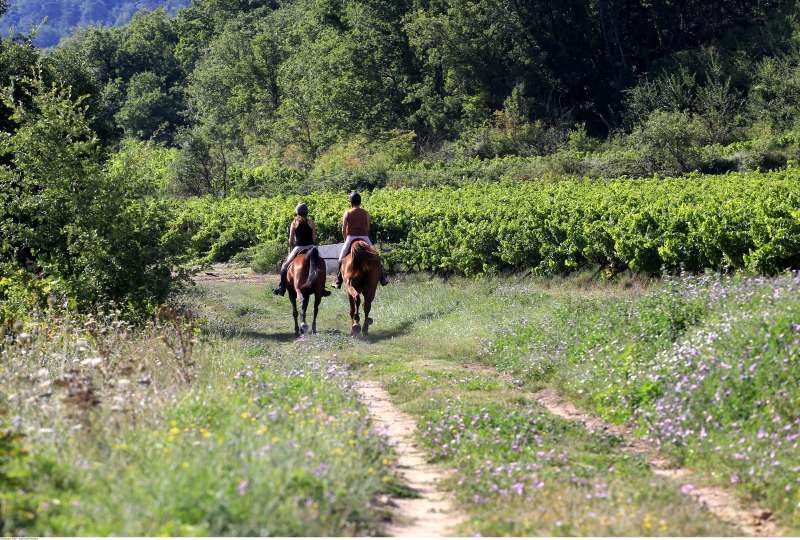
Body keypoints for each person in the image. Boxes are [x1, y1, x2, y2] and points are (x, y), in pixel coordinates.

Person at [333, 191, 390, 289]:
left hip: (351, 237)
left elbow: (343, 229)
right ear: (360, 201)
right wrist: (364, 235)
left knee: (341, 258)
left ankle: (338, 280)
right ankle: (382, 277)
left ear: (351, 202)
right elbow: (368, 227)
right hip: (364, 237)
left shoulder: (347, 213)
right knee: (376, 255)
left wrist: (346, 239)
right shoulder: (366, 213)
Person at [273, 202, 323, 296]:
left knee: (284, 267)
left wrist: (291, 243)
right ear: (307, 212)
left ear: (297, 212)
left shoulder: (294, 222)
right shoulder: (311, 222)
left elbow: (290, 239)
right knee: (321, 263)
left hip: (298, 247)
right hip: (311, 247)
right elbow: (314, 238)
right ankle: (322, 287)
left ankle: (282, 288)